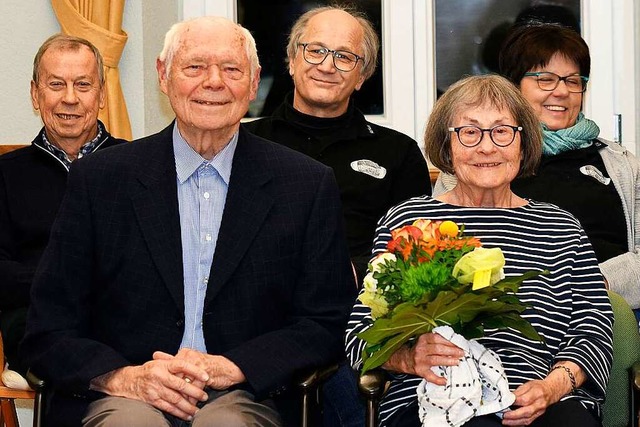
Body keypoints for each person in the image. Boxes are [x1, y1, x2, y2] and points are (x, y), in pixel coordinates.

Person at [20, 16, 355, 427]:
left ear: (253, 84)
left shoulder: (305, 184)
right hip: (126, 393)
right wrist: (124, 378)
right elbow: (49, 325)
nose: (213, 82)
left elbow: (326, 321)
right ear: (164, 76)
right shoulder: (101, 180)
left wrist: (235, 367)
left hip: (246, 395)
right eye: (194, 67)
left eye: (231, 70)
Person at [346, 74, 613, 427]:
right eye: (470, 132)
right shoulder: (410, 221)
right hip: (435, 399)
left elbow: (593, 326)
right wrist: (410, 359)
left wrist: (552, 387)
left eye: (502, 131)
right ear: (447, 144)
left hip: (540, 402)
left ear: (523, 142)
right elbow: (360, 334)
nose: (487, 147)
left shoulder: (560, 226)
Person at [434, 23, 640, 321]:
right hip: (496, 310)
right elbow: (443, 251)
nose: (561, 91)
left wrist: (595, 283)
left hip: (606, 309)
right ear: (514, 87)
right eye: (545, 79)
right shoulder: (480, 159)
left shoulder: (620, 163)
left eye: (573, 80)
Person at [245, 5, 431, 283]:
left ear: (362, 76)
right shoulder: (246, 143)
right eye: (316, 51)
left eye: (344, 56)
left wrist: (345, 275)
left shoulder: (397, 153)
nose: (327, 66)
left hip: (358, 306)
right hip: (261, 303)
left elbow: (414, 248)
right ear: (292, 60)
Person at [0, 34, 125, 378]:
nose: (69, 98)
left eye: (83, 85)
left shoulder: (139, 165)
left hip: (125, 321)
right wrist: (70, 278)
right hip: (38, 323)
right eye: (56, 84)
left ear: (101, 95)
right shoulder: (5, 174)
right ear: (35, 94)